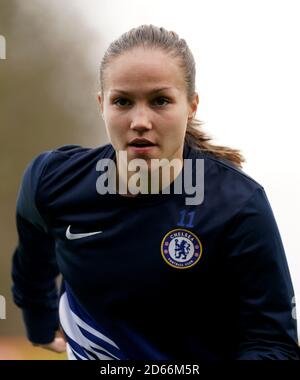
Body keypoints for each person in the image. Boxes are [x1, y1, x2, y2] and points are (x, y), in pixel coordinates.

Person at [12, 24, 300, 360]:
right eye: (122, 101)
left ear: (191, 105)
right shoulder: (53, 181)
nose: (140, 121)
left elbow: (273, 343)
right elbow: (33, 253)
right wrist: (40, 321)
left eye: (160, 100)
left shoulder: (238, 205)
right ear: (101, 104)